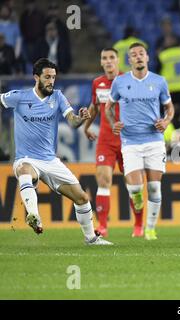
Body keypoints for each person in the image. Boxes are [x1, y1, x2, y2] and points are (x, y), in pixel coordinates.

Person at [0, 58, 112, 245]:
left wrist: (81, 118)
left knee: (83, 198)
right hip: (26, 158)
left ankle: (91, 239)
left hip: (50, 161)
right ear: (36, 77)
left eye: (53, 77)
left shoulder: (58, 97)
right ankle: (34, 215)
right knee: (25, 171)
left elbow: (72, 122)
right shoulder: (19, 97)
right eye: (47, 77)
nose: (51, 81)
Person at [106, 43, 174, 241]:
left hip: (154, 141)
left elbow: (169, 109)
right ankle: (137, 203)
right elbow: (109, 107)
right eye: (134, 55)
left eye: (141, 54)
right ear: (129, 60)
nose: (138, 57)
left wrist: (166, 121)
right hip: (130, 142)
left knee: (154, 188)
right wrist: (113, 123)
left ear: (148, 57)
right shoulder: (119, 82)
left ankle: (150, 229)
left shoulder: (159, 81)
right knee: (136, 189)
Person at [84, 48, 143, 238]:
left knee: (134, 185)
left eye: (112, 58)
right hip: (106, 140)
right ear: (101, 62)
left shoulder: (130, 80)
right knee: (103, 180)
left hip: (129, 141)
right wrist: (86, 127)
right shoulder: (97, 83)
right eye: (104, 58)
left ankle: (139, 225)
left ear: (118, 61)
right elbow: (94, 107)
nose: (108, 61)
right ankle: (102, 226)